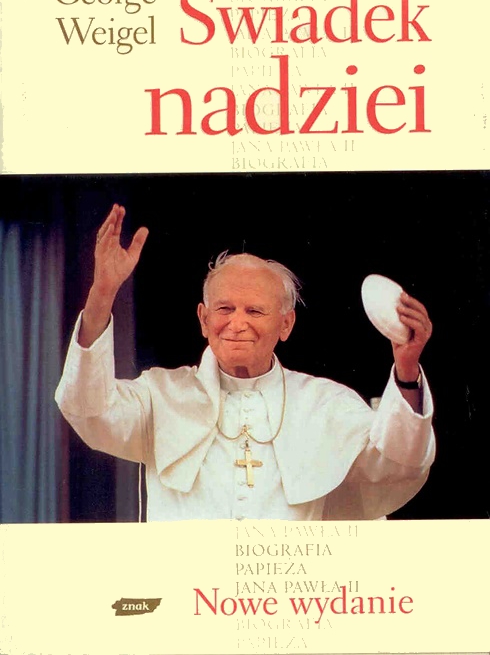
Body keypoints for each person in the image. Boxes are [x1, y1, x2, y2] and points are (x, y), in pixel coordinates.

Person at [55, 204, 435, 521]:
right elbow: (88, 410)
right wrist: (102, 293)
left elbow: (396, 466)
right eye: (225, 309)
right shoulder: (159, 395)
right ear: (204, 320)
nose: (237, 324)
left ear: (285, 324)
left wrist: (405, 370)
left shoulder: (326, 404)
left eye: (255, 311)